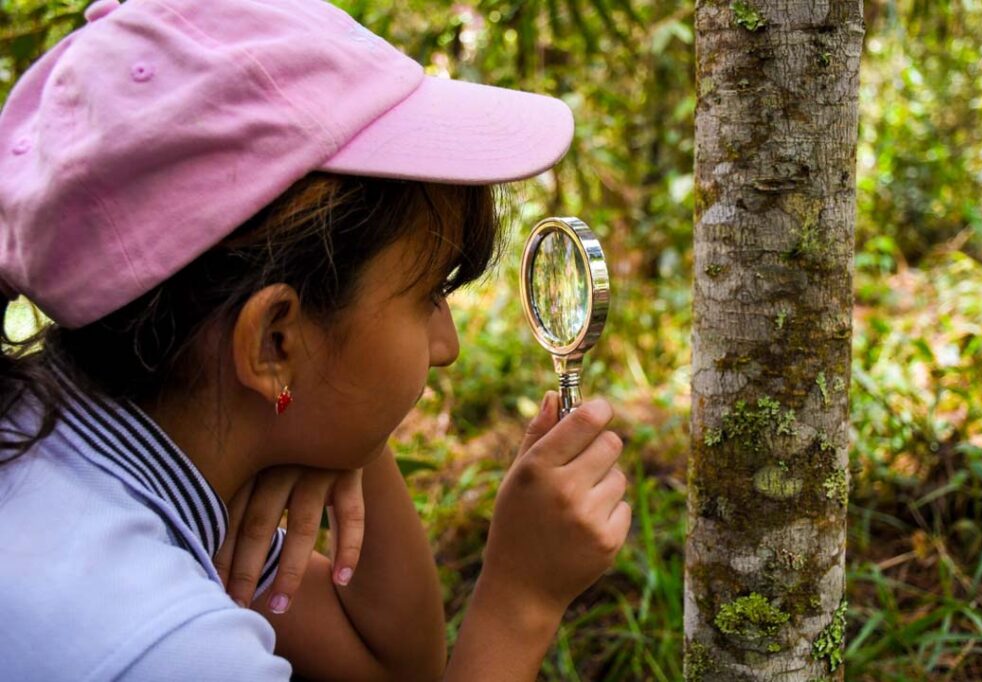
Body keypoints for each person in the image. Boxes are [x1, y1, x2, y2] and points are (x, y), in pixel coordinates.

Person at [0, 0, 631, 679]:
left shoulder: (67, 443)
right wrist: (521, 602)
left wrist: (327, 419)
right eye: (427, 296)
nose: (445, 345)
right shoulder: (164, 648)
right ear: (273, 341)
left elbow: (392, 666)